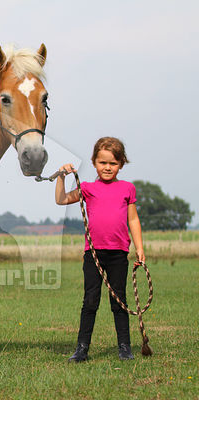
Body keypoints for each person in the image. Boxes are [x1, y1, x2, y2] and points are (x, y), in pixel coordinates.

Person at [55, 137, 145, 362]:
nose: (107, 167)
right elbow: (61, 199)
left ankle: (125, 348)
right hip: (93, 254)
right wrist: (61, 176)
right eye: (103, 162)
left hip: (118, 254)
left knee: (119, 302)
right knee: (90, 301)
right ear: (94, 162)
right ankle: (82, 349)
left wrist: (140, 248)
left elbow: (133, 220)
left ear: (121, 164)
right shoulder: (87, 188)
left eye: (113, 163)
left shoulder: (127, 188)